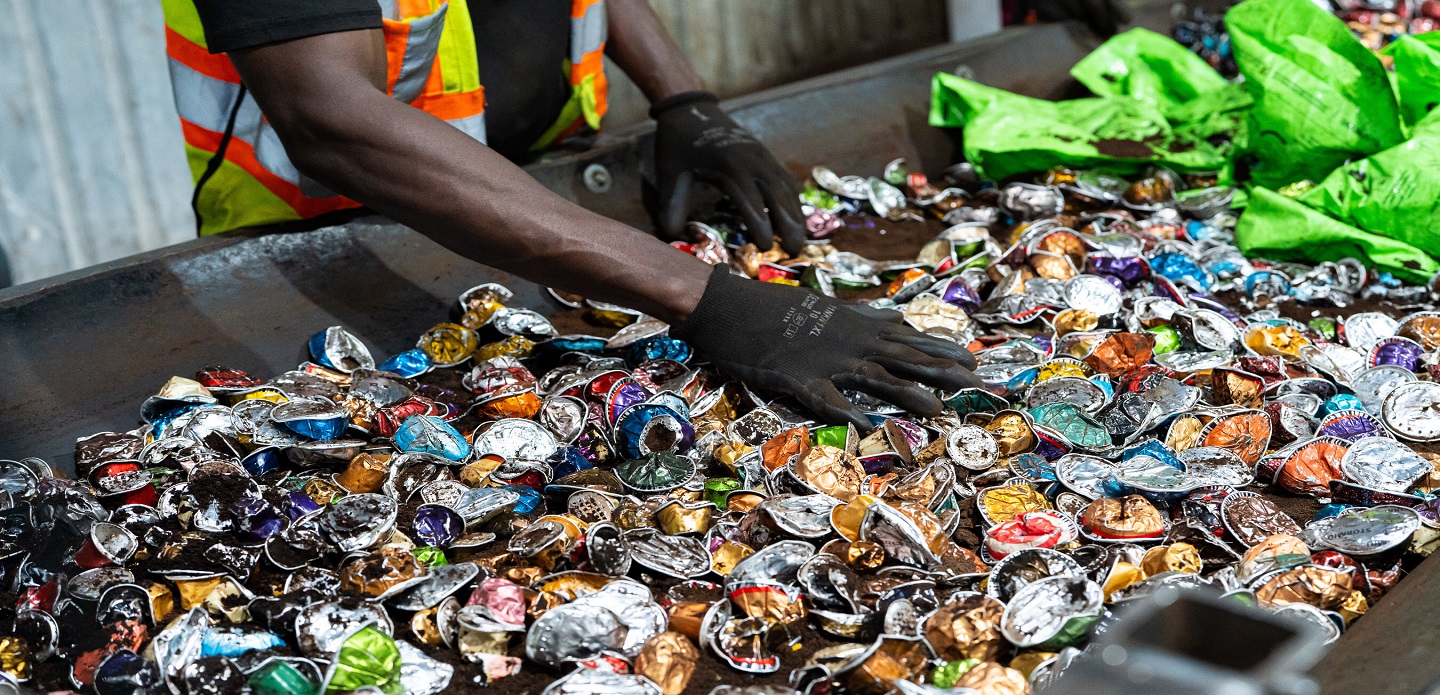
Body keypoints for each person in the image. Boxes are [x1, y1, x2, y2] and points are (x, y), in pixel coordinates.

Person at [161, 0, 981, 427]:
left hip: (545, 200)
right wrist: (704, 295)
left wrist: (685, 101)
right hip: (329, 241)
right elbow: (329, 117)